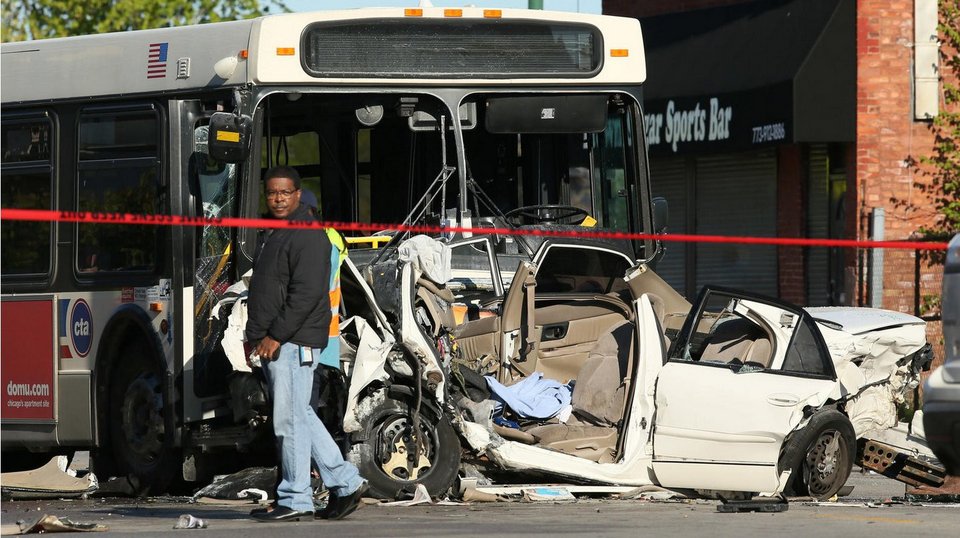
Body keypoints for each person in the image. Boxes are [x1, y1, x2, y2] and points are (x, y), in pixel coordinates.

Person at [245, 166, 367, 522]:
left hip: (293, 342)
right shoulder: (276, 232)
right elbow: (267, 291)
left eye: (284, 193)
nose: (278, 199)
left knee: (289, 421)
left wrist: (275, 336)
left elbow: (306, 294)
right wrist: (253, 336)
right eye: (271, 193)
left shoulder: (308, 236)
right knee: (300, 417)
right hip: (276, 341)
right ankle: (345, 483)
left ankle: (296, 498)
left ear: (298, 194)